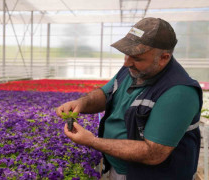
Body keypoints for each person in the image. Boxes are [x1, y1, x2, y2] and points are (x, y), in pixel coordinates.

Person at [56, 17, 203, 180]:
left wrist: (92, 141)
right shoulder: (135, 68)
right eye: (127, 54)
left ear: (163, 58)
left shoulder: (178, 92)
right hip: (119, 168)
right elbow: (106, 94)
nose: (126, 63)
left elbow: (153, 153)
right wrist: (81, 103)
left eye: (137, 58)